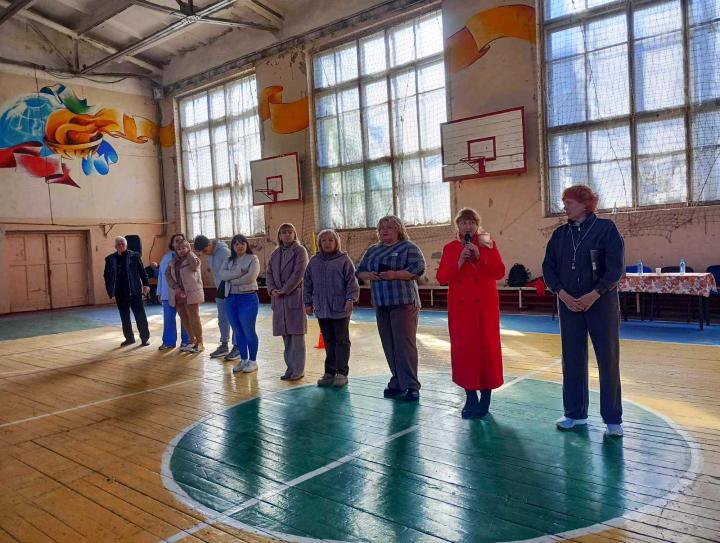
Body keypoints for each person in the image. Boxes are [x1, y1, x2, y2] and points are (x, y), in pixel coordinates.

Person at [542, 184, 625, 437]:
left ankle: (613, 419)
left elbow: (615, 268)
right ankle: (574, 414)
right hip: (568, 305)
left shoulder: (606, 229)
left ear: (586, 204)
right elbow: (548, 268)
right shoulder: (559, 235)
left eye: (569, 202)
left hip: (601, 304)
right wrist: (562, 294)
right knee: (572, 358)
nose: (564, 207)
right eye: (564, 202)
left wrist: (594, 294)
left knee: (608, 359)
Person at [436, 208, 506, 418]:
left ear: (477, 225)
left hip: (485, 308)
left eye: (471, 222)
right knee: (464, 352)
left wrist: (479, 257)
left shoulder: (487, 243)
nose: (467, 226)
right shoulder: (450, 248)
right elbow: (442, 278)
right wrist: (458, 262)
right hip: (461, 310)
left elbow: (499, 272)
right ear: (457, 225)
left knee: (487, 351)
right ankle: (470, 397)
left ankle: (486, 397)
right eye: (463, 222)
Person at [356, 215, 426, 401]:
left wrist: (395, 274)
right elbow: (359, 271)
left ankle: (411, 385)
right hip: (381, 303)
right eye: (382, 228)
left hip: (403, 302)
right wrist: (369, 275)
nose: (385, 231)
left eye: (389, 227)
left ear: (399, 230)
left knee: (404, 345)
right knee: (389, 345)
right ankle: (397, 381)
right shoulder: (372, 250)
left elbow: (419, 268)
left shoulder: (408, 247)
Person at [304, 229, 360, 387]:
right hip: (322, 309)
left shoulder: (344, 260)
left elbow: (352, 282)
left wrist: (350, 299)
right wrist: (307, 303)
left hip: (340, 308)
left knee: (341, 340)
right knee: (329, 340)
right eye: (324, 240)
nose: (327, 243)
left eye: (330, 240)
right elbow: (307, 283)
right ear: (319, 243)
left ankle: (342, 372)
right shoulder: (314, 261)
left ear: (336, 242)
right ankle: (329, 372)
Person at [266, 223, 309, 381]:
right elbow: (269, 273)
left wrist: (285, 289)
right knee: (286, 337)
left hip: (294, 297)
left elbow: (299, 273)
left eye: (290, 232)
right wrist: (272, 289)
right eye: (284, 232)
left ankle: (298, 370)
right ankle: (290, 368)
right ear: (279, 236)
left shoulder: (300, 251)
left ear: (294, 234)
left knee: (296, 337)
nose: (287, 235)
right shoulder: (275, 253)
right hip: (278, 299)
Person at [219, 234, 261, 374]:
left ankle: (253, 361)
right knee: (238, 331)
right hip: (230, 299)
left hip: (248, 298)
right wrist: (239, 273)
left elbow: (250, 277)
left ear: (246, 244)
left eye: (242, 243)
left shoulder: (253, 259)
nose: (240, 246)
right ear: (232, 246)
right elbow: (222, 275)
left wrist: (231, 280)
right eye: (236, 244)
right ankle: (243, 360)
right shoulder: (228, 260)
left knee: (248, 330)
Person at [193, 235, 236, 360]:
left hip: (230, 290)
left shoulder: (224, 252)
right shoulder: (212, 254)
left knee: (233, 319)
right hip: (220, 290)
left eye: (205, 250)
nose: (204, 254)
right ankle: (224, 345)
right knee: (222, 319)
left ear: (209, 244)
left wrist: (228, 288)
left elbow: (232, 271)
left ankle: (237, 346)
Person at [103, 236, 151, 347]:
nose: (120, 245)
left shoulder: (135, 256)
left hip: (135, 292)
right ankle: (129, 338)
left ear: (126, 245)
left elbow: (142, 272)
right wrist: (110, 289)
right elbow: (106, 276)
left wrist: (146, 284)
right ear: (115, 246)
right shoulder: (110, 259)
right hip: (120, 293)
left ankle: (144, 338)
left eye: (122, 243)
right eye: (118, 244)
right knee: (124, 317)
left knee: (140, 316)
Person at [165, 240, 205, 353]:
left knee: (194, 317)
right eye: (178, 249)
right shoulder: (173, 262)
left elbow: (194, 267)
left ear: (189, 248)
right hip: (178, 294)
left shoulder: (193, 258)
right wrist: (175, 287)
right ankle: (192, 341)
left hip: (191, 293)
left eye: (184, 248)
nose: (181, 250)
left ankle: (200, 343)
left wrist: (190, 254)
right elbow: (167, 274)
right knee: (184, 318)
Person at [156, 233, 190, 351]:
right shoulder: (166, 258)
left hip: (183, 294)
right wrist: (159, 291)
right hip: (167, 293)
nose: (179, 243)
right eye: (176, 241)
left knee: (185, 318)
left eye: (181, 240)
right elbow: (161, 276)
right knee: (168, 319)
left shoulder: (189, 257)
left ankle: (187, 341)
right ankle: (168, 342)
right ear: (172, 244)